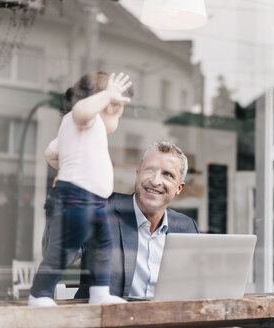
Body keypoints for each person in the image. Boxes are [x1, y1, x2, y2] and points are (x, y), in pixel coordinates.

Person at [29, 71, 133, 307]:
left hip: (92, 201)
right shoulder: (86, 119)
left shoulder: (76, 129)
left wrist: (64, 167)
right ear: (106, 105)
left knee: (103, 246)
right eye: (118, 113)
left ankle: (99, 293)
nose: (118, 120)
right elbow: (81, 111)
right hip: (77, 197)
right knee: (64, 246)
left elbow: (49, 153)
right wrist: (108, 94)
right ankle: (39, 294)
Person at [75, 141, 199, 299]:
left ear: (179, 188)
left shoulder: (187, 228)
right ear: (137, 173)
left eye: (167, 174)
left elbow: (194, 288)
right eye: (150, 170)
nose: (155, 181)